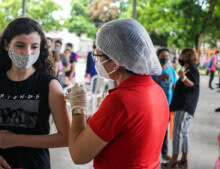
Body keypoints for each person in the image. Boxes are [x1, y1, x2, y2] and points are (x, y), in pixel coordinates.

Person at [67, 18, 169, 169]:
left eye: (99, 56)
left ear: (115, 63)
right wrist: (94, 121)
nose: (97, 62)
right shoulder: (157, 91)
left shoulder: (120, 101)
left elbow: (78, 155)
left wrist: (78, 107)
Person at [0, 17, 70, 169]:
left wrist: (15, 140)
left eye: (34, 47)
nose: (27, 53)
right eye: (20, 46)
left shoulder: (49, 85)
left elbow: (66, 137)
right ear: (6, 45)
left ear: (41, 48)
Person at [163, 48, 200, 168]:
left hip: (183, 107)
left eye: (182, 54)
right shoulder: (190, 69)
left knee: (177, 132)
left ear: (187, 56)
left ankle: (174, 160)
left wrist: (183, 78)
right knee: (184, 133)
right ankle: (183, 160)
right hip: (185, 107)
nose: (180, 56)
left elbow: (191, 84)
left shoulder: (192, 70)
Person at [152, 48, 177, 161]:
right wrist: (160, 78)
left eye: (167, 56)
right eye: (162, 56)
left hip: (168, 104)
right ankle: (152, 153)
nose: (165, 58)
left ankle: (164, 152)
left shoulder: (171, 69)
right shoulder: (154, 70)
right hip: (155, 104)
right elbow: (149, 85)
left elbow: (174, 85)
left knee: (164, 130)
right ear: (158, 57)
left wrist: (176, 103)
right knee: (153, 129)